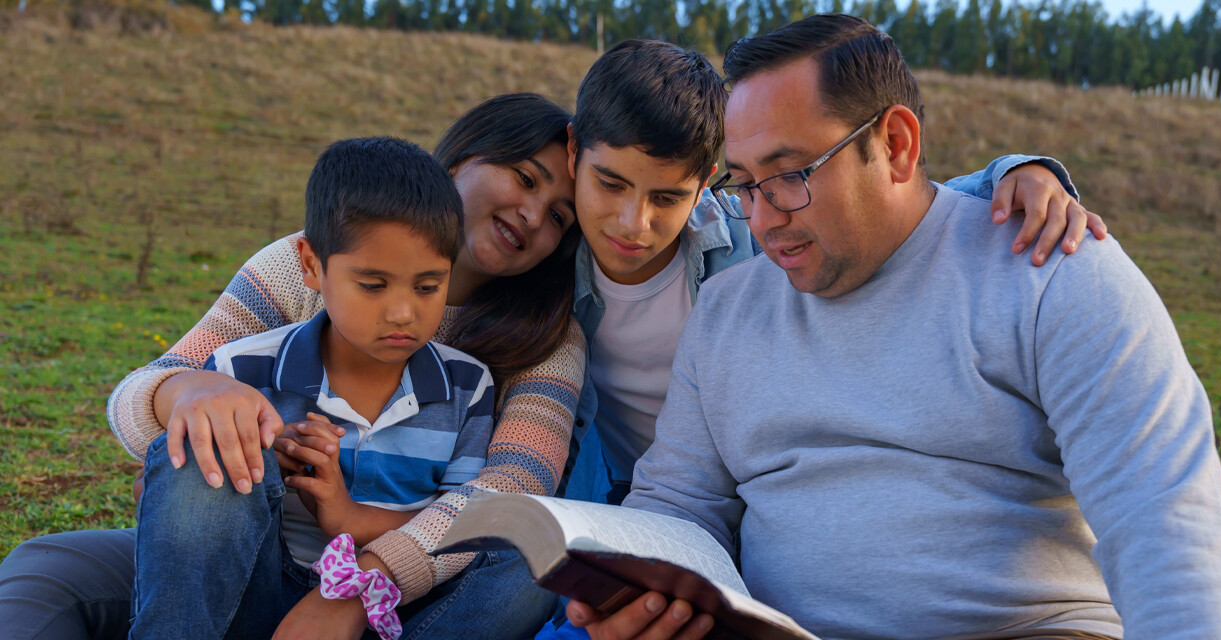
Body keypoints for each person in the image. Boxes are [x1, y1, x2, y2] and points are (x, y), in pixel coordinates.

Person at [567, 15, 1221, 640]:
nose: (762, 218)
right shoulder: (727, 313)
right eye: (745, 184)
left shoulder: (1050, 272)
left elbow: (1167, 517)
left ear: (897, 145)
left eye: (789, 175)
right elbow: (681, 503)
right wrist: (642, 584)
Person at [0, 94, 587, 640]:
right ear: (463, 156)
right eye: (524, 178)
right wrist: (186, 394)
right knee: (43, 576)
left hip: (411, 601)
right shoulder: (303, 261)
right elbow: (145, 395)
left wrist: (356, 588)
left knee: (525, 557)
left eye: (561, 216)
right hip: (256, 562)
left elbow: (512, 490)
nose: (534, 216)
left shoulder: (547, 340)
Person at [560, 38, 1105, 511]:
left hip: (745, 483)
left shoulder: (748, 236)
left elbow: (887, 209)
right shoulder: (549, 266)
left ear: (704, 183)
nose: (635, 222)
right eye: (610, 185)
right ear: (573, 156)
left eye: (666, 197)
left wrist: (1013, 174)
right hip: (620, 486)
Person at [131, 135, 505, 638]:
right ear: (310, 265)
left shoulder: (468, 386)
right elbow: (171, 504)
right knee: (209, 455)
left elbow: (460, 525)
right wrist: (257, 462)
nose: (403, 313)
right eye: (372, 285)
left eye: (428, 285)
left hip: (394, 609)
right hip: (257, 595)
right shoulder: (241, 371)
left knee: (517, 557)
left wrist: (349, 516)